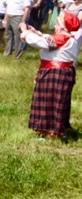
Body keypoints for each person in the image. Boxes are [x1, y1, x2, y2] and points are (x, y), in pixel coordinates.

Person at [21, 11, 82, 139]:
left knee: (50, 102)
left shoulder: (62, 38)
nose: (55, 24)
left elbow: (42, 43)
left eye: (57, 22)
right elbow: (49, 40)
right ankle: (58, 129)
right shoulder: (67, 38)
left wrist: (25, 32)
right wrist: (38, 33)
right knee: (59, 101)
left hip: (55, 73)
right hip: (61, 73)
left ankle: (51, 130)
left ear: (63, 26)